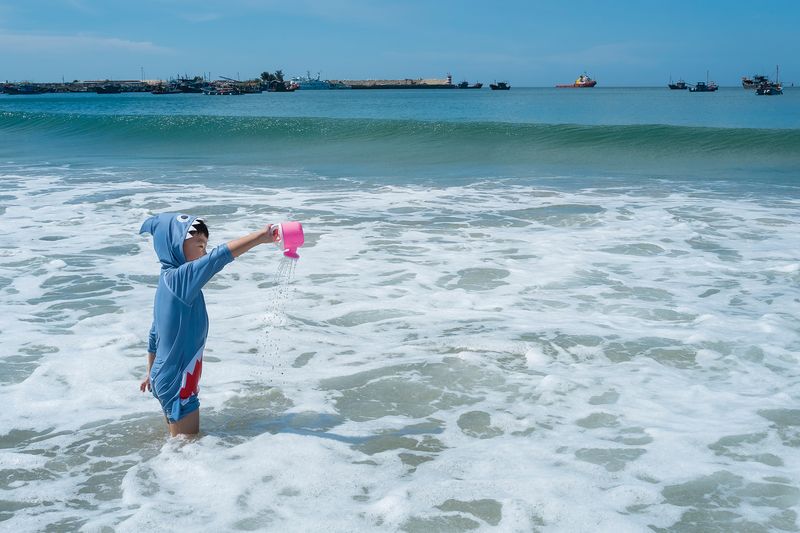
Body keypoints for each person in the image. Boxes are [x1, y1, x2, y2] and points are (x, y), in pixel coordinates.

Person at [138, 213, 277, 437]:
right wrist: (261, 237)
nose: (203, 251)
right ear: (174, 245)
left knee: (178, 442)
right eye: (199, 244)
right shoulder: (180, 278)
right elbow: (217, 258)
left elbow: (155, 334)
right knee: (186, 447)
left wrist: (150, 372)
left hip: (164, 374)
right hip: (178, 380)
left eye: (205, 245)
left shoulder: (167, 281)